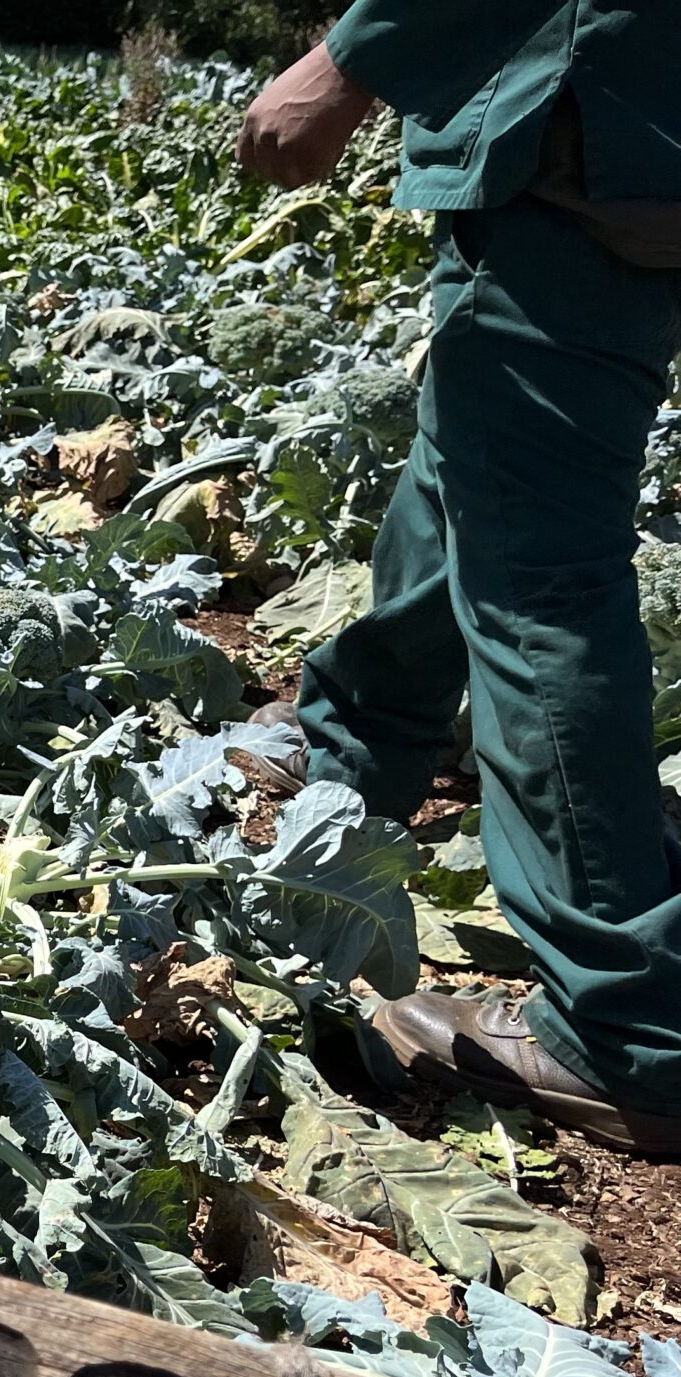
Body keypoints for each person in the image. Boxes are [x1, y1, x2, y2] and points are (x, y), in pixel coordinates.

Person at [235, 2, 681, 1154]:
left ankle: (624, 1022)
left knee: (539, 581)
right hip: (641, 128)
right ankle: (356, 750)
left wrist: (347, 61)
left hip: (588, 123)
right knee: (470, 467)